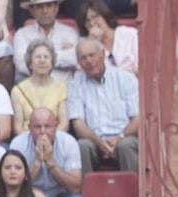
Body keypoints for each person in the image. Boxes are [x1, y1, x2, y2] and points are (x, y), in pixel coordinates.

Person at [68, 37, 139, 174]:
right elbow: (78, 124)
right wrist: (99, 141)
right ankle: (83, 195)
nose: (89, 61)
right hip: (94, 140)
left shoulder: (126, 78)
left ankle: (135, 194)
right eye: (83, 58)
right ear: (79, 63)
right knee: (82, 146)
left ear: (102, 54)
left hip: (124, 137)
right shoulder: (75, 83)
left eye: (92, 55)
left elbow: (138, 118)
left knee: (126, 146)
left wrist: (119, 137)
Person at [9, 106, 87, 197]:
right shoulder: (18, 144)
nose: (43, 132)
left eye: (47, 126)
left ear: (56, 126)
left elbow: (75, 187)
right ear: (29, 128)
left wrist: (52, 164)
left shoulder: (69, 143)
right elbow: (12, 186)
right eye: (37, 127)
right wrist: (37, 162)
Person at [13, 0, 78, 83]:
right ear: (32, 11)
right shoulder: (22, 34)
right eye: (39, 7)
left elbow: (74, 59)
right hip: (32, 89)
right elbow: (21, 64)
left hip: (64, 89)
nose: (44, 11)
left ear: (56, 8)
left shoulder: (69, 32)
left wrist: (36, 58)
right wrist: (60, 54)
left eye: (49, 6)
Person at [11, 39, 69, 132]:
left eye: (46, 57)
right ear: (30, 63)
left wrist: (51, 140)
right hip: (27, 139)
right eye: (37, 57)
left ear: (52, 63)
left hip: (56, 138)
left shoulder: (61, 87)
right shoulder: (18, 90)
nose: (42, 60)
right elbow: (18, 126)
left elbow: (64, 122)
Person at [78, 0, 136, 75]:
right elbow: (86, 74)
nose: (91, 23)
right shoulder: (89, 45)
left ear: (104, 16)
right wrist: (93, 43)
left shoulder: (129, 35)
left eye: (94, 17)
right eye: (87, 21)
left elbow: (143, 64)